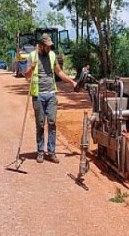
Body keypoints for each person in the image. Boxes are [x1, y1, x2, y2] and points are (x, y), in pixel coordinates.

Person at [25, 33, 77, 164]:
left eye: (50, 46)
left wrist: (72, 82)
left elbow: (59, 72)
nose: (49, 48)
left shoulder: (52, 55)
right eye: (47, 46)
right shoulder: (32, 56)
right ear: (41, 46)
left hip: (51, 94)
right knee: (40, 124)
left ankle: (52, 152)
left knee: (52, 123)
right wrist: (32, 67)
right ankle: (41, 151)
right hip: (38, 95)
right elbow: (26, 76)